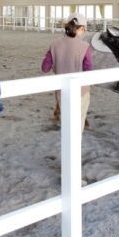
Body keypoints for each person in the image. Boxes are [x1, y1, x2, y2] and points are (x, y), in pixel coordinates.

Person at [41, 12, 93, 186]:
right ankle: (72, 176)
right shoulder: (85, 47)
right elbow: (89, 72)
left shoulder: (54, 44)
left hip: (61, 94)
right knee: (76, 134)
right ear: (82, 28)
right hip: (81, 93)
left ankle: (66, 170)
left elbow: (45, 68)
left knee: (67, 131)